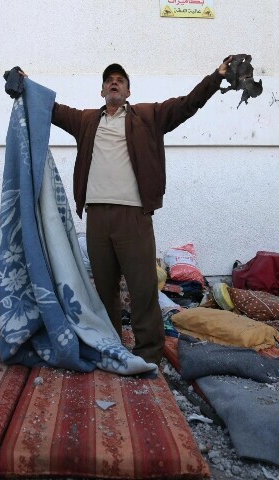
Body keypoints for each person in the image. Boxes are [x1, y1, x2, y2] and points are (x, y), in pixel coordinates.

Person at [18, 58, 231, 364]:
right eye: (109, 80)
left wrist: (217, 76)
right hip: (98, 218)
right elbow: (52, 110)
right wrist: (26, 84)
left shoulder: (148, 116)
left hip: (134, 216)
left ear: (128, 90)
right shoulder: (87, 121)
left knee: (142, 288)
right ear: (102, 90)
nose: (114, 82)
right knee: (104, 290)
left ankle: (149, 354)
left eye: (120, 79)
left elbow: (187, 104)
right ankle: (111, 347)